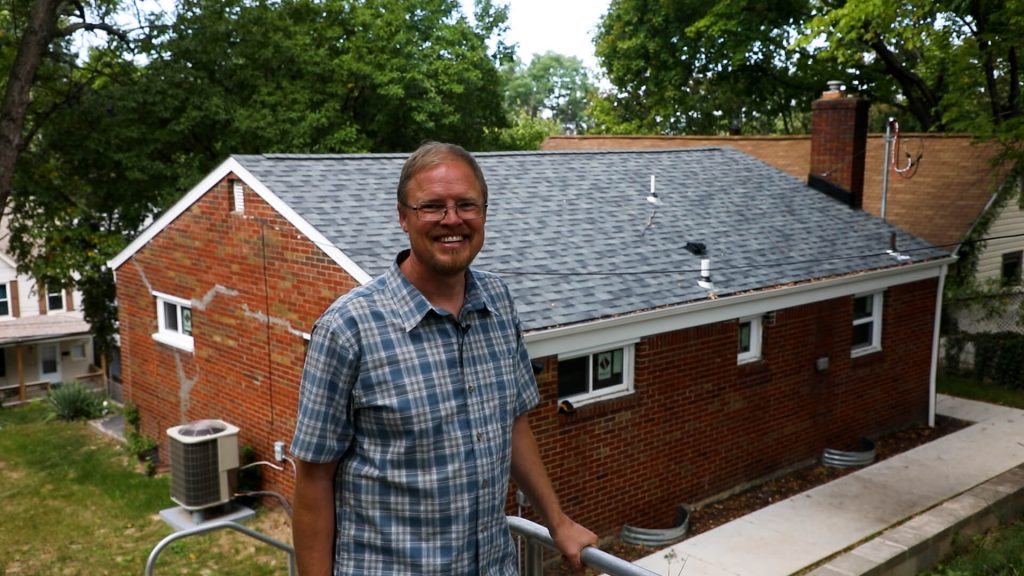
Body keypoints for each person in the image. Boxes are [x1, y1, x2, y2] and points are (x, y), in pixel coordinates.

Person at [290, 141, 598, 575]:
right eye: (432, 206)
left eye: (466, 205)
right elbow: (313, 478)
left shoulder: (498, 302)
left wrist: (558, 522)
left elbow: (512, 422)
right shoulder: (348, 328)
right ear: (403, 217)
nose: (452, 220)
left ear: (484, 213)